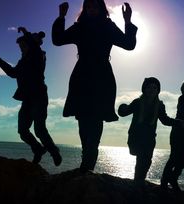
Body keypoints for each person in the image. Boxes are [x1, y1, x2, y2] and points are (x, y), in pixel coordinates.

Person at [52, 0, 137, 172]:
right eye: (88, 7)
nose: (91, 10)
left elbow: (129, 44)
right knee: (83, 120)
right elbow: (58, 40)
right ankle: (87, 163)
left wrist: (127, 21)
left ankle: (88, 164)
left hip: (102, 78)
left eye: (95, 6)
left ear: (101, 8)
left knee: (96, 120)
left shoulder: (107, 26)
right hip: (82, 77)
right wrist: (61, 17)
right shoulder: (80, 27)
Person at [0, 27, 62, 167]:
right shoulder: (22, 62)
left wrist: (25, 32)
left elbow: (35, 47)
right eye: (20, 46)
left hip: (39, 96)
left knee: (39, 130)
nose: (21, 48)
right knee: (22, 131)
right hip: (27, 99)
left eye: (23, 45)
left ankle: (54, 151)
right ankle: (38, 150)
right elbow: (12, 73)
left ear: (30, 44)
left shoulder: (38, 56)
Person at [118, 77, 182, 184]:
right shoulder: (138, 102)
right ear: (144, 89)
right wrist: (122, 107)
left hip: (149, 139)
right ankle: (138, 182)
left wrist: (176, 122)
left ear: (158, 90)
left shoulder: (160, 106)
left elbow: (165, 120)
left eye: (155, 88)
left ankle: (139, 182)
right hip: (136, 138)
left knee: (146, 162)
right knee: (140, 160)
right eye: (149, 87)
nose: (152, 90)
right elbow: (124, 112)